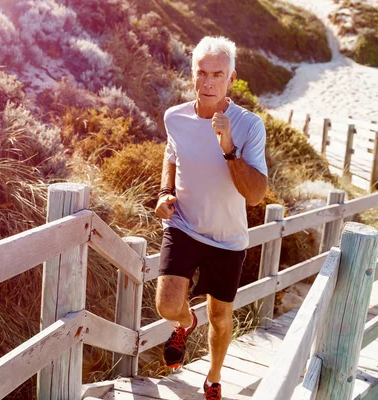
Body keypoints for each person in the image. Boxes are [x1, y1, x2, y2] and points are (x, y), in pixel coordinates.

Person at [154, 36, 269, 400]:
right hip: (184, 225)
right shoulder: (175, 117)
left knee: (220, 317)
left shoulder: (249, 126)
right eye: (201, 73)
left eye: (217, 74)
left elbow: (255, 195)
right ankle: (184, 324)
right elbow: (171, 154)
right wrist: (163, 193)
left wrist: (229, 149)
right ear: (192, 74)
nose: (207, 82)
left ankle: (214, 377)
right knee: (166, 305)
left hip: (227, 237)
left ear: (231, 78)